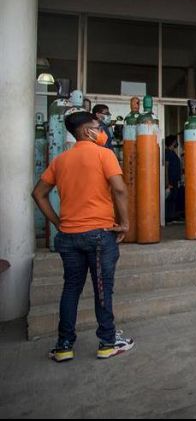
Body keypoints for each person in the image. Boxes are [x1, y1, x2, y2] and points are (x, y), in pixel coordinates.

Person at [31, 111, 134, 363]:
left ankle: (64, 345)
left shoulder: (61, 160)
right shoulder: (104, 154)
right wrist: (124, 223)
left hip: (68, 236)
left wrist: (58, 223)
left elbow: (38, 193)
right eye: (98, 126)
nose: (102, 131)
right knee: (102, 289)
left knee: (71, 288)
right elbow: (119, 189)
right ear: (87, 131)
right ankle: (108, 342)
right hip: (99, 234)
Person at [165, 135, 183, 223]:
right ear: (172, 142)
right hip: (171, 179)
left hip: (175, 179)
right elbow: (166, 166)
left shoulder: (172, 153)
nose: (177, 143)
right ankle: (169, 216)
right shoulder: (168, 153)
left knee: (174, 197)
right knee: (170, 198)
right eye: (175, 142)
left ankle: (172, 215)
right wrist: (167, 181)